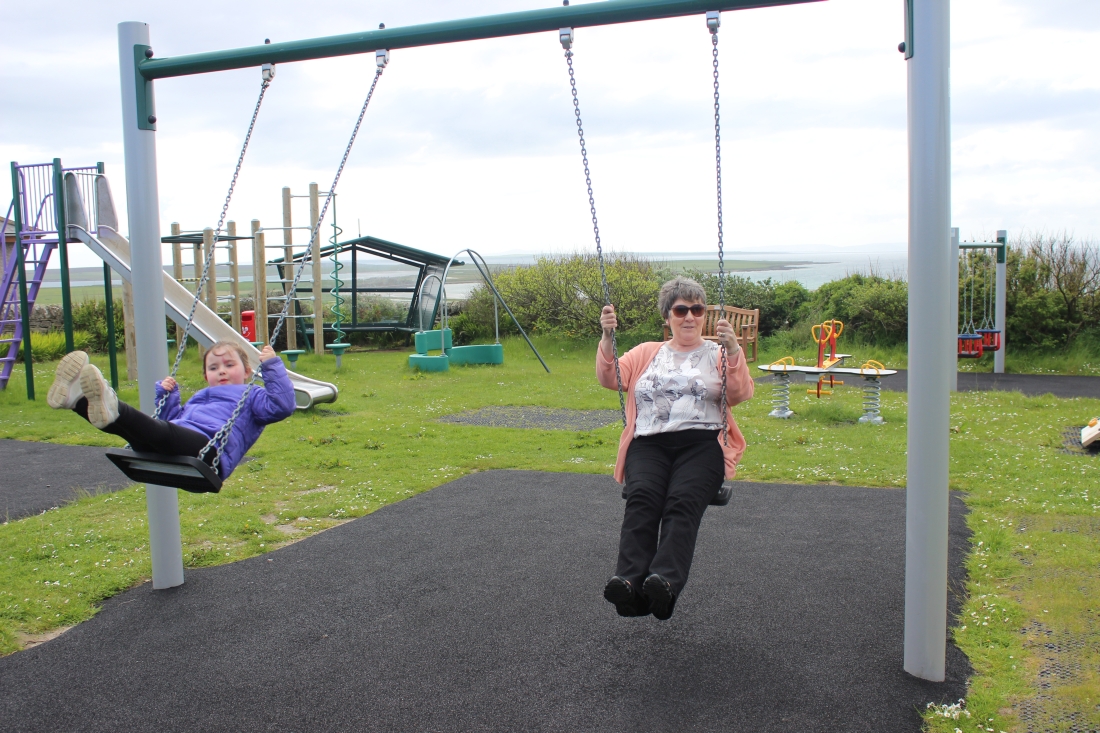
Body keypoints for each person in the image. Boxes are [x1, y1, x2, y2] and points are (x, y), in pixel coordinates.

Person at [596, 276, 754, 620]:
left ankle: (663, 583)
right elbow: (611, 378)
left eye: (698, 309)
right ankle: (629, 585)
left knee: (682, 501)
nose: (690, 317)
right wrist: (607, 337)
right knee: (642, 499)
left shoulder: (717, 353)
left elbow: (740, 393)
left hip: (702, 443)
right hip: (648, 443)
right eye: (681, 310)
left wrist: (734, 351)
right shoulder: (646, 352)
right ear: (667, 316)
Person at [46, 341, 296, 479]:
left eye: (229, 365)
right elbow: (170, 421)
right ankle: (77, 401)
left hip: (209, 452)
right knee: (137, 432)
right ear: (205, 376)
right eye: (213, 368)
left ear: (248, 371)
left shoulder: (253, 395)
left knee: (159, 432)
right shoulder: (200, 397)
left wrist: (271, 366)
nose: (221, 371)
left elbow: (283, 406)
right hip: (178, 441)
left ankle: (114, 406)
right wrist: (167, 397)